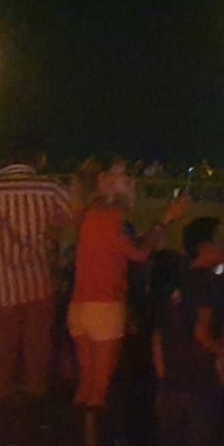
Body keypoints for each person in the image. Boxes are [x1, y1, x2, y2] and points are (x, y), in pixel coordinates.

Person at [0, 139, 75, 446]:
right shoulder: (49, 190)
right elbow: (72, 221)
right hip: (39, 287)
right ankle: (31, 438)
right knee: (37, 363)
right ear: (36, 160)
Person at [71, 162, 191, 409]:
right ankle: (97, 443)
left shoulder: (86, 215)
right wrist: (166, 220)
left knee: (85, 386)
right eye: (126, 179)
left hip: (80, 305)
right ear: (106, 184)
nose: (132, 184)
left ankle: (78, 441)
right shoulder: (111, 217)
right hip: (105, 306)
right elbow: (138, 253)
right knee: (100, 392)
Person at [151, 217, 224, 446]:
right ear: (205, 246)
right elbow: (202, 333)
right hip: (198, 385)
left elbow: (157, 337)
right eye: (220, 240)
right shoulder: (208, 284)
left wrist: (165, 373)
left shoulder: (173, 281)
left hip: (171, 385)